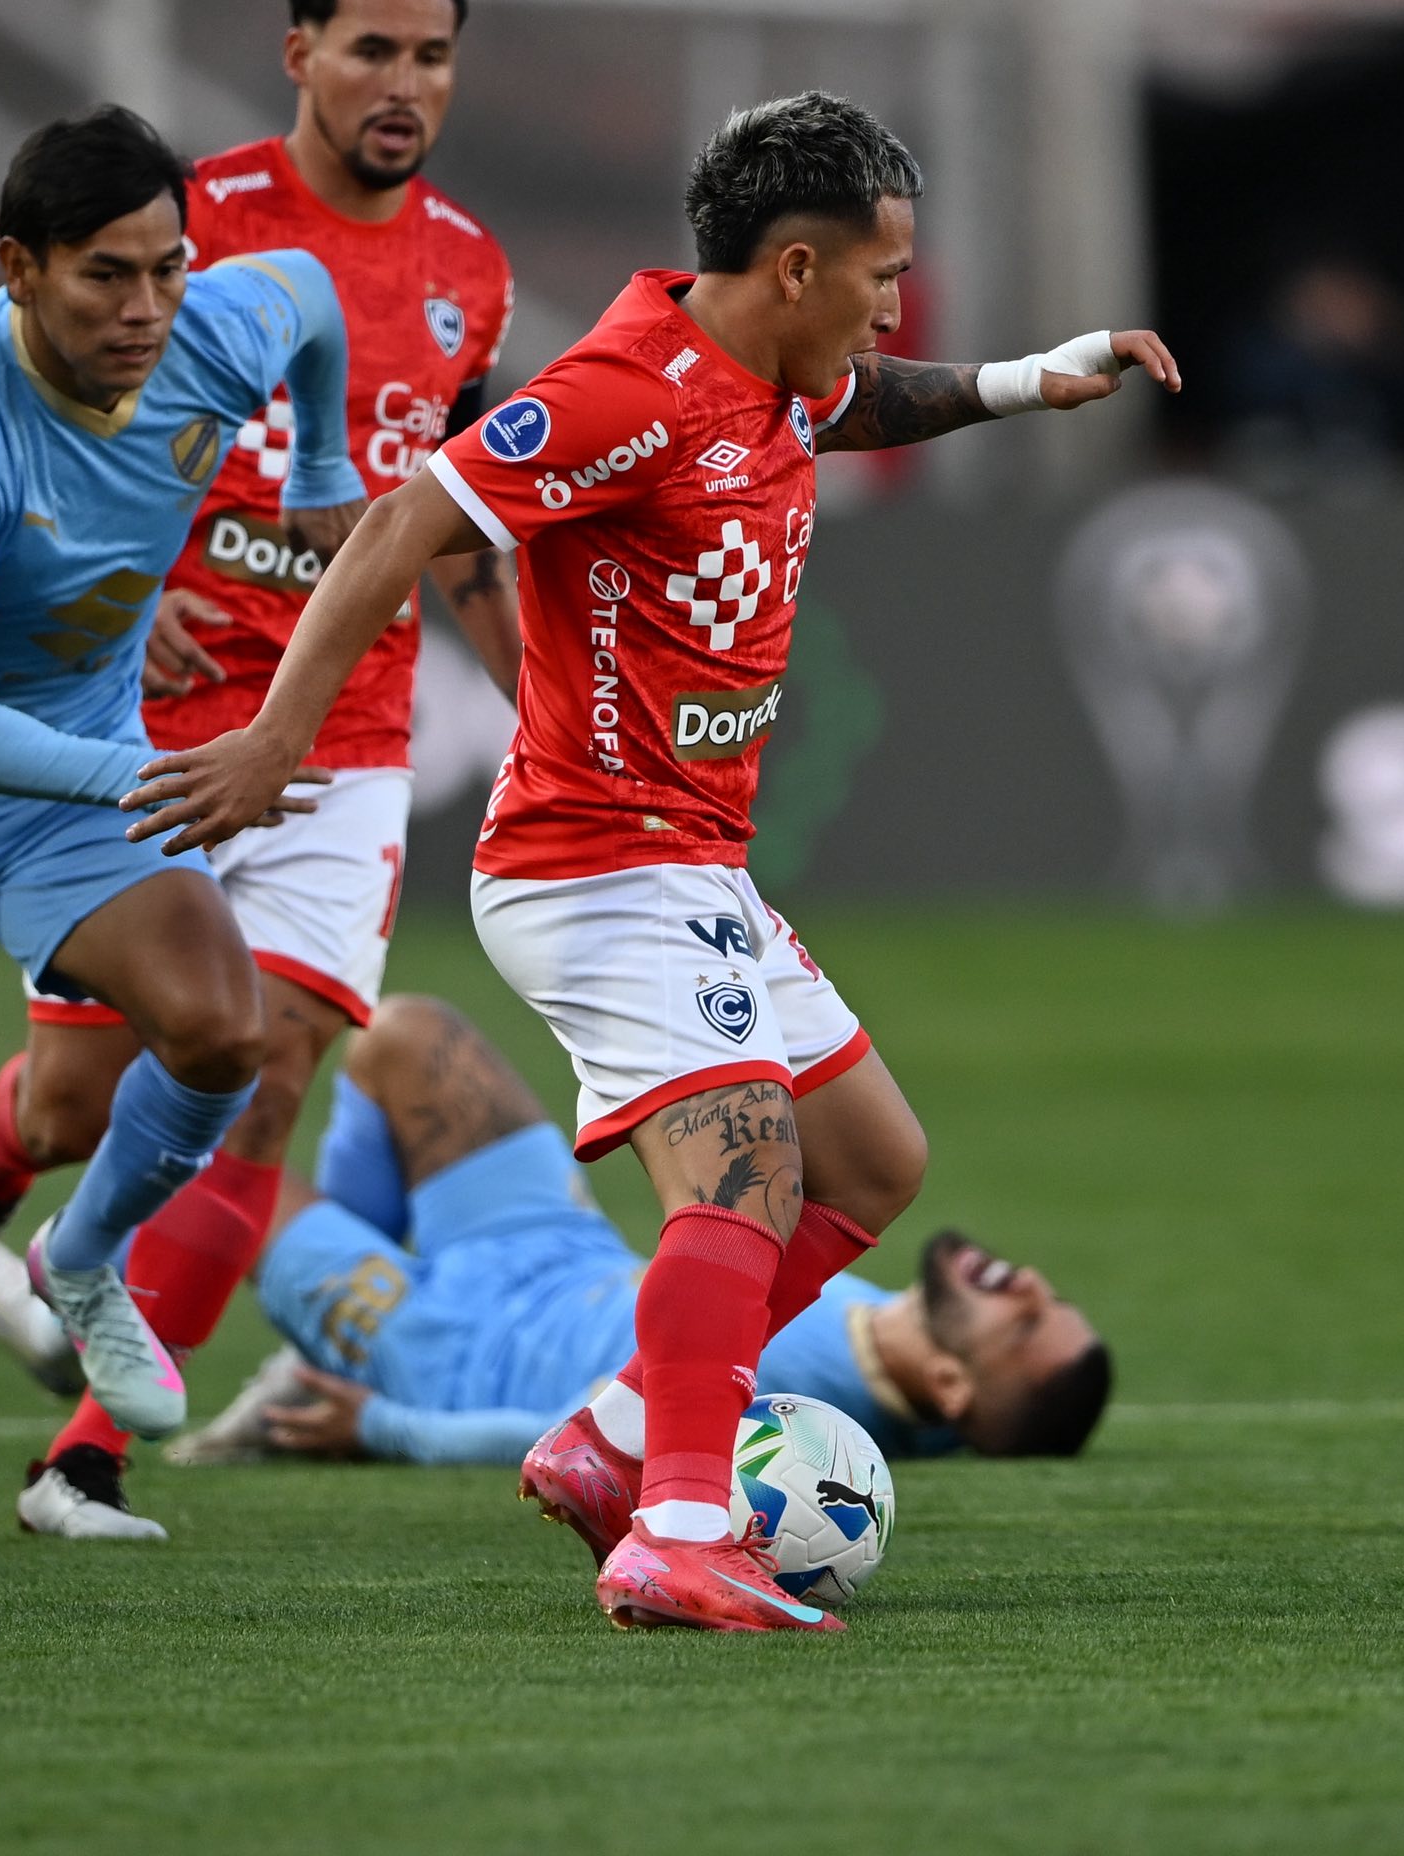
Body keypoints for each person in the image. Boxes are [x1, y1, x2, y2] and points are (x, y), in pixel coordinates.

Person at [120, 90, 1181, 1632]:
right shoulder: (624, 391)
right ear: (798, 269)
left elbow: (865, 401)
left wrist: (1030, 381)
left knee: (873, 1159)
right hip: (591, 862)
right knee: (744, 1167)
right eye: (881, 273)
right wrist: (281, 738)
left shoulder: (780, 372)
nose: (895, 301)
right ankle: (681, 1526)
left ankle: (616, 1436)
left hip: (695, 863)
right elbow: (400, 522)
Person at [0, 0, 519, 1542]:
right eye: (370, 45)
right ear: (299, 50)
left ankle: (82, 1454)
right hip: (143, 711)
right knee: (82, 1098)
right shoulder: (190, 222)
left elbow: (441, 515)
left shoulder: (468, 272)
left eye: (430, 53)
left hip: (339, 736)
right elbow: (15, 404)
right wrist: (92, 589)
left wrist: (543, 698)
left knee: (268, 1068)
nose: (401, 80)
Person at [0, 103, 364, 1447]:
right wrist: (151, 774)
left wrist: (326, 456)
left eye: (168, 266)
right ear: (21, 269)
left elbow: (310, 293)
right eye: (106, 273)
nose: (149, 304)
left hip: (71, 759)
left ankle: (82, 1258)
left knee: (221, 1029)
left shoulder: (214, 333)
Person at [0, 996, 1111, 1540]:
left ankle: (25, 1242)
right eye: (1048, 1297)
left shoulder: (813, 1420)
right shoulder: (856, 1288)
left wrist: (384, 1427)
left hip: (447, 1346)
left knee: (213, 1150)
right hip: (552, 1246)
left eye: (1025, 1323)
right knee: (404, 1033)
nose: (1026, 1281)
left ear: (953, 1394)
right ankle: (267, 1315)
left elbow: (605, 1429)